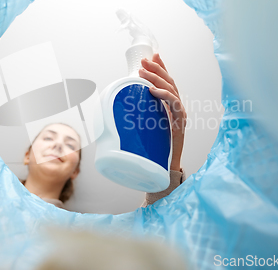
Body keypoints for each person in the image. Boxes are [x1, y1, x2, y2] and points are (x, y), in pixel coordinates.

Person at [22, 53, 187, 209]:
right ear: (27, 155)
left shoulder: (76, 234)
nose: (58, 145)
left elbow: (155, 231)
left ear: (75, 171)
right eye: (49, 138)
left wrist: (169, 158)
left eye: (70, 145)